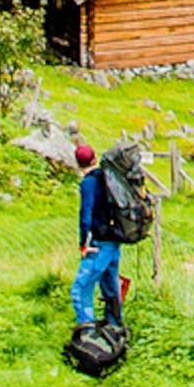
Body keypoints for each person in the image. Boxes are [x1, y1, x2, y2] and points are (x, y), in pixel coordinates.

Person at [70, 139, 125, 327]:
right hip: (115, 240)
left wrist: (83, 244)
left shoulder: (88, 183)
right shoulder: (108, 177)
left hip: (100, 242)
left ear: (78, 164)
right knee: (110, 286)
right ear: (94, 159)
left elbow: (85, 216)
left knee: (80, 289)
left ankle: (87, 332)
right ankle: (116, 327)